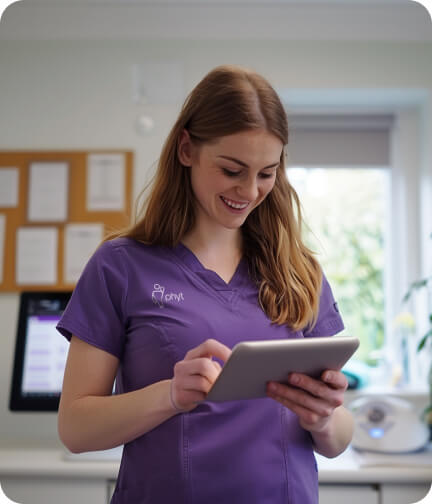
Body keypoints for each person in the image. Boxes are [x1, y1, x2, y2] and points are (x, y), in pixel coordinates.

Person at [56, 64, 354, 504]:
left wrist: (324, 419)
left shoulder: (298, 270)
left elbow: (339, 435)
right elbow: (75, 428)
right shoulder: (120, 266)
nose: (250, 191)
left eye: (267, 173)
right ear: (186, 149)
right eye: (232, 170)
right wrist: (171, 396)